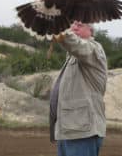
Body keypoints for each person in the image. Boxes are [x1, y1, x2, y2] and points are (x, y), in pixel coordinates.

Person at [49, 21, 108, 156]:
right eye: (72, 24)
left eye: (80, 25)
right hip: (69, 131)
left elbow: (77, 45)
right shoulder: (71, 57)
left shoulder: (94, 49)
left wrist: (58, 29)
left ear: (91, 31)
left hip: (82, 133)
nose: (74, 27)